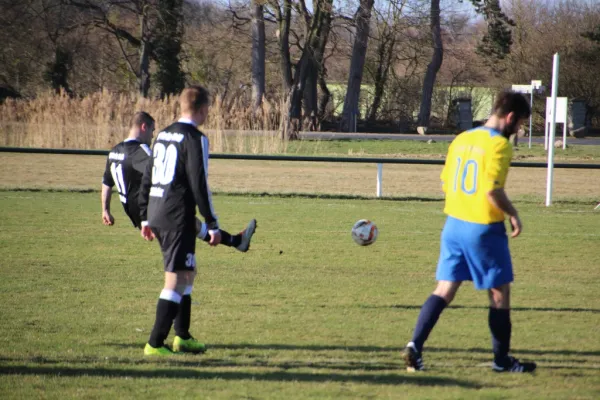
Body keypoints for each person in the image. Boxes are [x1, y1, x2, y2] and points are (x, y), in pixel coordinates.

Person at [401, 91, 536, 373]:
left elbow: (445, 183)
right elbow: (492, 191)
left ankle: (415, 345)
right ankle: (502, 361)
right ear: (510, 117)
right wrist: (513, 214)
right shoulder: (499, 146)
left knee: (444, 289)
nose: (519, 130)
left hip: (453, 225)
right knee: (499, 294)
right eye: (520, 123)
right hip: (482, 229)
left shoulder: (462, 138)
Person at [139, 86, 247, 356]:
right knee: (175, 279)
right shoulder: (195, 138)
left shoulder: (162, 135)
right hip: (176, 215)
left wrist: (144, 217)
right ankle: (154, 343)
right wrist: (212, 223)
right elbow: (199, 184)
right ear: (202, 109)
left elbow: (147, 176)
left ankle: (183, 337)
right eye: (208, 109)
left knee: (188, 272)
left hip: (158, 210)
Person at [101, 111, 256, 252]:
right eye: (152, 131)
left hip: (135, 212)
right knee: (183, 228)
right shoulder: (139, 151)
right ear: (143, 127)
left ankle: (236, 241)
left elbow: (107, 183)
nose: (152, 136)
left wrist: (105, 210)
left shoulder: (114, 151)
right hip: (149, 209)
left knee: (189, 222)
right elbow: (158, 170)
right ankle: (232, 242)